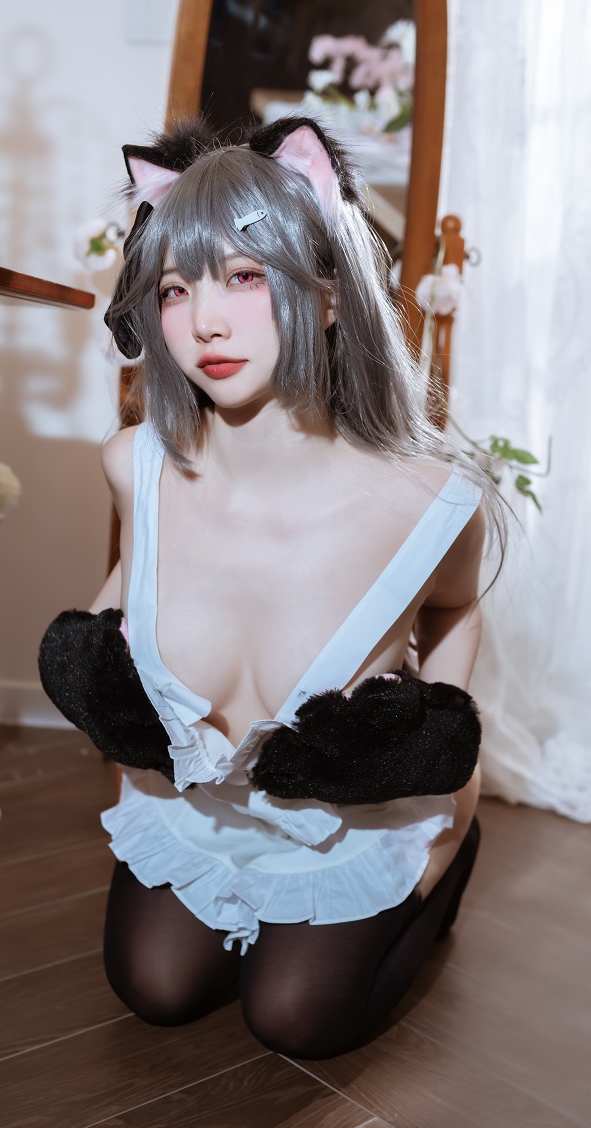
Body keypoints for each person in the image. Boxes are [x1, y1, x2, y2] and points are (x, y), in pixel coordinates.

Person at [40, 116, 508, 1060]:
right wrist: (102, 662)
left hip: (345, 824)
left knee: (295, 1018)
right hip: (203, 814)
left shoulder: (428, 503)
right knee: (154, 987)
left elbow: (456, 606)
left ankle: (452, 867)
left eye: (245, 277)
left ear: (328, 295)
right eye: (176, 288)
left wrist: (435, 770)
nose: (204, 322)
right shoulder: (135, 466)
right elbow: (134, 584)